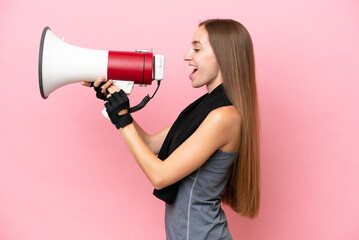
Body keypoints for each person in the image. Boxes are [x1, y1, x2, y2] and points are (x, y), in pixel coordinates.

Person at [81, 18, 260, 240]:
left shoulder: (223, 116)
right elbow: (149, 144)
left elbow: (160, 175)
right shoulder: (203, 108)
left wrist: (123, 118)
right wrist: (114, 104)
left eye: (196, 48)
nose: (187, 56)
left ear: (224, 55)